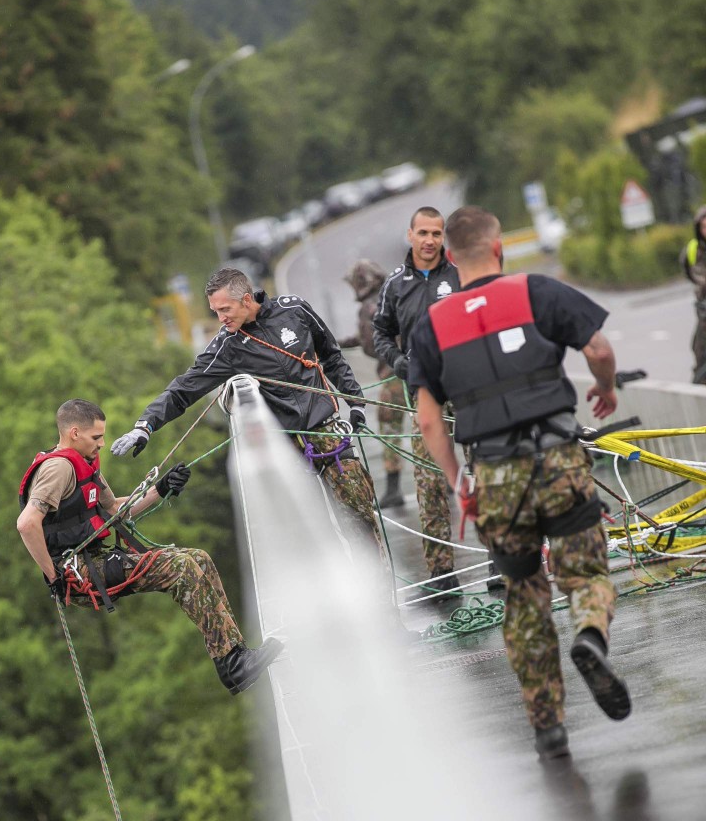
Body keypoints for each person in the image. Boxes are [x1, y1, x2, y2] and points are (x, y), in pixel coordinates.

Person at [410, 206, 631, 759]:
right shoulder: (536, 291)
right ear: (500, 248)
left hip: (496, 476)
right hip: (558, 461)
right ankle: (589, 635)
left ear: (451, 257)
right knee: (585, 575)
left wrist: (461, 483)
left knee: (524, 595)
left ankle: (548, 730)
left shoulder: (430, 326)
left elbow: (428, 421)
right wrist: (606, 389)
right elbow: (599, 350)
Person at [110, 267, 389, 582]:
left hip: (326, 430)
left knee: (360, 514)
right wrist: (144, 425)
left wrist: (356, 403)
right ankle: (341, 601)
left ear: (245, 299)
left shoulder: (294, 309)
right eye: (215, 312)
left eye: (224, 310)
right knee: (312, 532)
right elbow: (183, 389)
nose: (221, 319)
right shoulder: (228, 345)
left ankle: (382, 601)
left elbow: (331, 356)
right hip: (284, 446)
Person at [17, 398, 282, 695]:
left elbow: (117, 509)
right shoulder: (58, 469)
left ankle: (236, 655)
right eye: (96, 437)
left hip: (96, 560)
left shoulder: (84, 463)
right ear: (74, 433)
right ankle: (231, 664)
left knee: (199, 559)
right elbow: (27, 523)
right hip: (79, 574)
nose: (102, 444)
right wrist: (53, 577)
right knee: (181, 569)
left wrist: (162, 488)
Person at [373, 206, 463, 594]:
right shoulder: (395, 284)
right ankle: (442, 573)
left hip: (469, 390)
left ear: (444, 238)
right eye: (423, 233)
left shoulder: (460, 275)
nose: (429, 240)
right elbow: (379, 332)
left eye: (436, 234)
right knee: (428, 483)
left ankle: (502, 556)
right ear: (410, 235)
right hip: (425, 397)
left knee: (486, 472)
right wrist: (397, 362)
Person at [341, 259, 404, 508]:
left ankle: (392, 488)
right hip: (419, 369)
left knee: (390, 428)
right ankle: (447, 482)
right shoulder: (396, 294)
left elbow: (371, 344)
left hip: (393, 374)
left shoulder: (368, 307)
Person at [681, 204, 706, 384]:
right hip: (704, 314)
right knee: (700, 353)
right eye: (704, 226)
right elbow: (693, 275)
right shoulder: (693, 251)